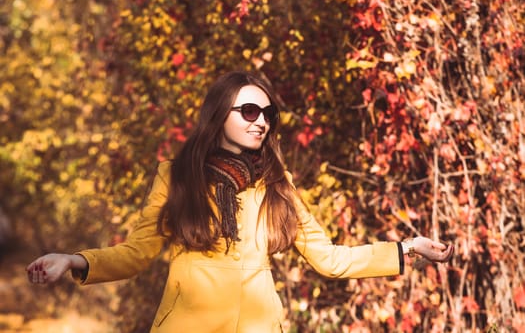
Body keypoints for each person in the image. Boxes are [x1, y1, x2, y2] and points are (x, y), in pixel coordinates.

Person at [27, 71, 454, 332]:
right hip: (186, 326)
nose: (261, 121)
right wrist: (74, 260)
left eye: (268, 114)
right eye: (249, 111)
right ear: (220, 115)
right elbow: (136, 253)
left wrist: (407, 249)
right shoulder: (176, 176)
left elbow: (330, 259)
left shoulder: (277, 183)